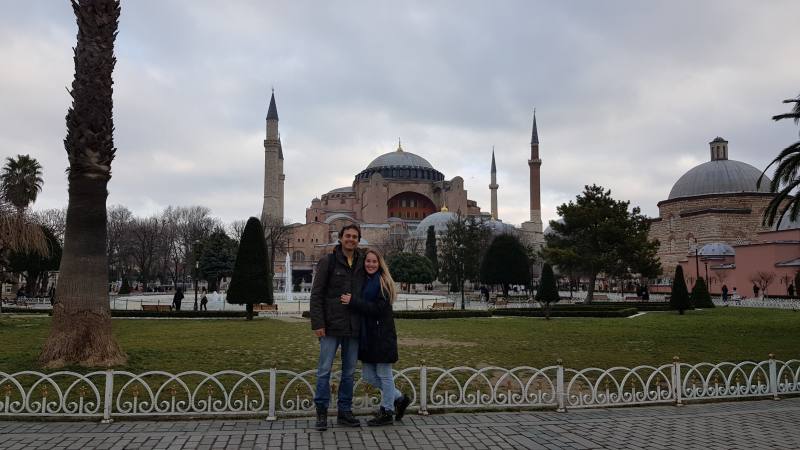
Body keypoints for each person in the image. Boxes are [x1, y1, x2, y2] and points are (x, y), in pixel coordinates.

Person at [309, 224, 365, 431]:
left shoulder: (361, 262)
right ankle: (321, 412)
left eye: (355, 237)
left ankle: (345, 411)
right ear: (340, 238)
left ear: (358, 240)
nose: (351, 239)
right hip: (331, 326)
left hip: (353, 327)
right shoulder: (329, 261)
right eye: (348, 236)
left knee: (349, 372)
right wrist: (318, 323)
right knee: (324, 370)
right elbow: (316, 294)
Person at [346, 249, 410, 426]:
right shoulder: (365, 281)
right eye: (368, 261)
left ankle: (387, 411)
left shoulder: (383, 282)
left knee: (384, 374)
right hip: (368, 336)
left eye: (374, 261)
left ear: (380, 263)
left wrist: (353, 302)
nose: (371, 264)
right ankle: (399, 398)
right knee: (368, 376)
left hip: (381, 336)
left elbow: (377, 309)